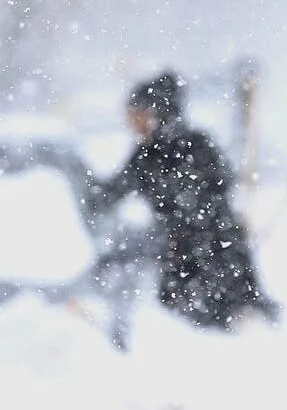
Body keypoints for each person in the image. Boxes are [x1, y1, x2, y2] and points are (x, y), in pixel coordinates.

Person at [88, 71, 275, 331]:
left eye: (137, 114)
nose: (131, 122)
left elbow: (211, 195)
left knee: (212, 331)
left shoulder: (190, 148)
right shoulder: (148, 154)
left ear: (156, 113)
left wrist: (184, 227)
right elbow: (109, 195)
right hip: (186, 258)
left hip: (210, 257)